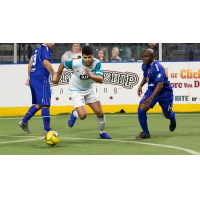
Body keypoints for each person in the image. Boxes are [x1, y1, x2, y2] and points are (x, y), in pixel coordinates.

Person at [52, 46, 112, 139]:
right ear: (82, 56)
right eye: (85, 57)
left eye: (89, 57)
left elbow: (101, 80)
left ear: (93, 56)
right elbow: (62, 65)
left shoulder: (97, 63)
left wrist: (90, 75)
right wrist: (57, 78)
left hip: (89, 89)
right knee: (83, 115)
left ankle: (102, 132)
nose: (87, 60)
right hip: (76, 90)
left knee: (100, 113)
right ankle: (74, 114)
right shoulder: (75, 63)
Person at [136, 48, 176, 139]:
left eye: (146, 56)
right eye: (143, 56)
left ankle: (173, 119)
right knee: (141, 110)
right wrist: (140, 86)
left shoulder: (158, 67)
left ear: (153, 57)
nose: (144, 58)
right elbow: (146, 76)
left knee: (167, 114)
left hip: (165, 93)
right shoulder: (144, 66)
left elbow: (160, 84)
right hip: (151, 90)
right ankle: (146, 133)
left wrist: (151, 97)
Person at [18, 43, 57, 135]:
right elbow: (46, 63)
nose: (53, 43)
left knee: (39, 103)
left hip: (33, 79)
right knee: (45, 103)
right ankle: (47, 129)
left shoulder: (36, 50)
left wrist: (29, 76)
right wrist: (54, 74)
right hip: (41, 79)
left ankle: (24, 121)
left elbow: (30, 65)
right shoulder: (45, 49)